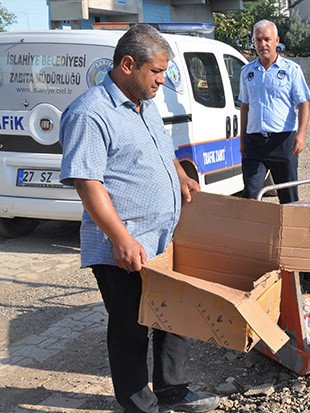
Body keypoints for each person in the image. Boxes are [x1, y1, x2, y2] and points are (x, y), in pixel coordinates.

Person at [59, 24, 218, 413]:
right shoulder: (90, 113)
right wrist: (120, 237)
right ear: (128, 64)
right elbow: (87, 181)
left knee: (175, 316)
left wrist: (180, 177)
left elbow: (162, 151)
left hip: (164, 238)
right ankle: (138, 404)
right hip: (124, 245)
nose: (163, 81)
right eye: (157, 72)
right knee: (131, 330)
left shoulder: (145, 104)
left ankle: (172, 392)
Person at [239, 19, 310, 204]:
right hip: (254, 143)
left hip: (283, 141)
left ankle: (291, 232)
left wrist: (301, 135)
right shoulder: (247, 72)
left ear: (276, 40)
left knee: (288, 197)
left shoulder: (291, 70)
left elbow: (303, 104)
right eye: (258, 40)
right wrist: (242, 140)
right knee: (251, 197)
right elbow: (245, 107)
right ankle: (255, 232)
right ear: (254, 42)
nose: (262, 44)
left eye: (267, 39)